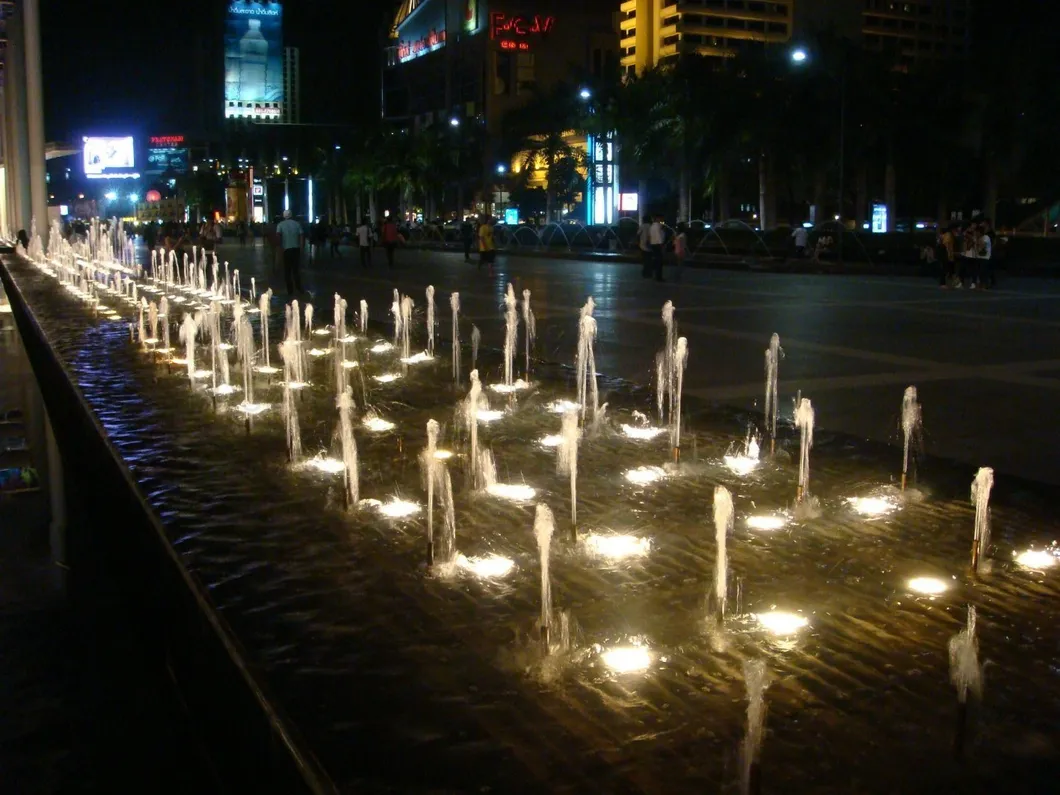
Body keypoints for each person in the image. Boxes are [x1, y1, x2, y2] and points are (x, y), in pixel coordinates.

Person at [276, 210, 304, 297]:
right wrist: (301, 247)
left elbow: (278, 237)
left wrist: (279, 248)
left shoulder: (280, 225)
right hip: (296, 249)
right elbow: (302, 236)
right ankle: (299, 287)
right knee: (296, 270)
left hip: (286, 250)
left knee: (287, 271)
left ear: (284, 216)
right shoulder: (297, 224)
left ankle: (290, 290)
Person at [974, 219, 993, 290]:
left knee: (983, 272)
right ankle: (980, 285)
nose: (976, 233)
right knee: (979, 272)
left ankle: (984, 285)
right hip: (979, 257)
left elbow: (982, 247)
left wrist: (977, 242)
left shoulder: (986, 237)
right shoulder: (979, 238)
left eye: (977, 232)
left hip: (985, 258)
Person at [649, 213, 665, 282]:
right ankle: (659, 276)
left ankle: (655, 275)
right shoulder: (657, 226)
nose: (661, 220)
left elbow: (650, 236)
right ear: (658, 218)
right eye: (660, 218)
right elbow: (659, 236)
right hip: (658, 244)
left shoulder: (652, 226)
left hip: (653, 244)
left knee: (656, 260)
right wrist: (661, 245)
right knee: (659, 261)